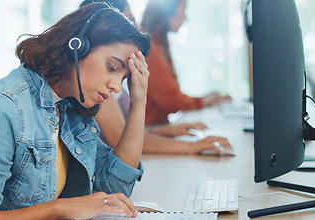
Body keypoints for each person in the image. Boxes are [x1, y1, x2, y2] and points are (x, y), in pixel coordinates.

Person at [0, 3, 151, 220]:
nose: (116, 86)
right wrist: (60, 208)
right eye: (112, 67)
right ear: (77, 46)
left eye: (123, 78)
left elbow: (113, 191)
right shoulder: (2, 108)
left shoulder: (70, 109)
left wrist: (138, 104)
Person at [80, 0, 231, 154]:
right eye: (130, 21)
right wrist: (191, 147)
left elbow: (126, 134)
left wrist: (165, 130)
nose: (137, 27)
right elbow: (119, 139)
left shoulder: (107, 81)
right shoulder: (99, 87)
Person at [142, 0, 231, 125]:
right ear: (168, 11)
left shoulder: (157, 44)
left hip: (157, 128)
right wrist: (203, 101)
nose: (185, 17)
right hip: (152, 130)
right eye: (183, 10)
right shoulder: (151, 50)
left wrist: (204, 99)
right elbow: (172, 101)